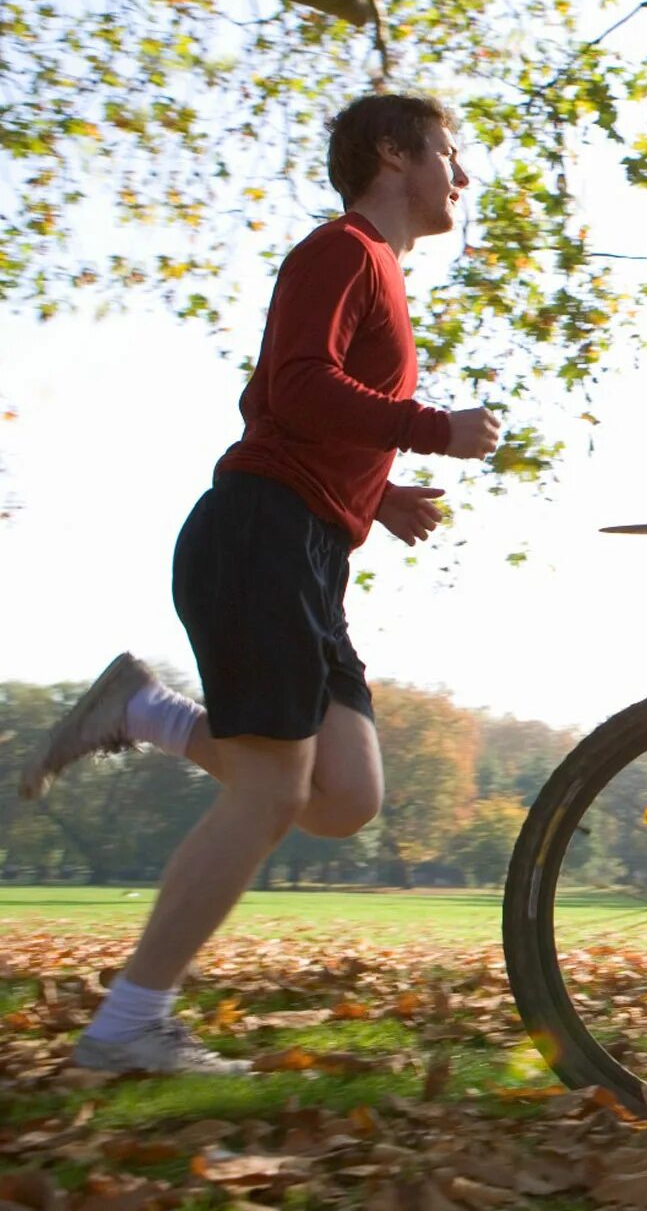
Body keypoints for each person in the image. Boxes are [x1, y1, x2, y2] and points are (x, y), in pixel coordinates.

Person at [15, 93, 503, 1075]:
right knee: (274, 786)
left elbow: (319, 420)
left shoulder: (384, 272)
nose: (463, 174)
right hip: (258, 536)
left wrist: (385, 495)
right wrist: (431, 425)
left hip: (307, 551)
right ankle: (126, 1026)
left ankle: (142, 710)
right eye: (450, 152)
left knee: (345, 796)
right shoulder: (344, 250)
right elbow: (294, 386)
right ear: (391, 151)